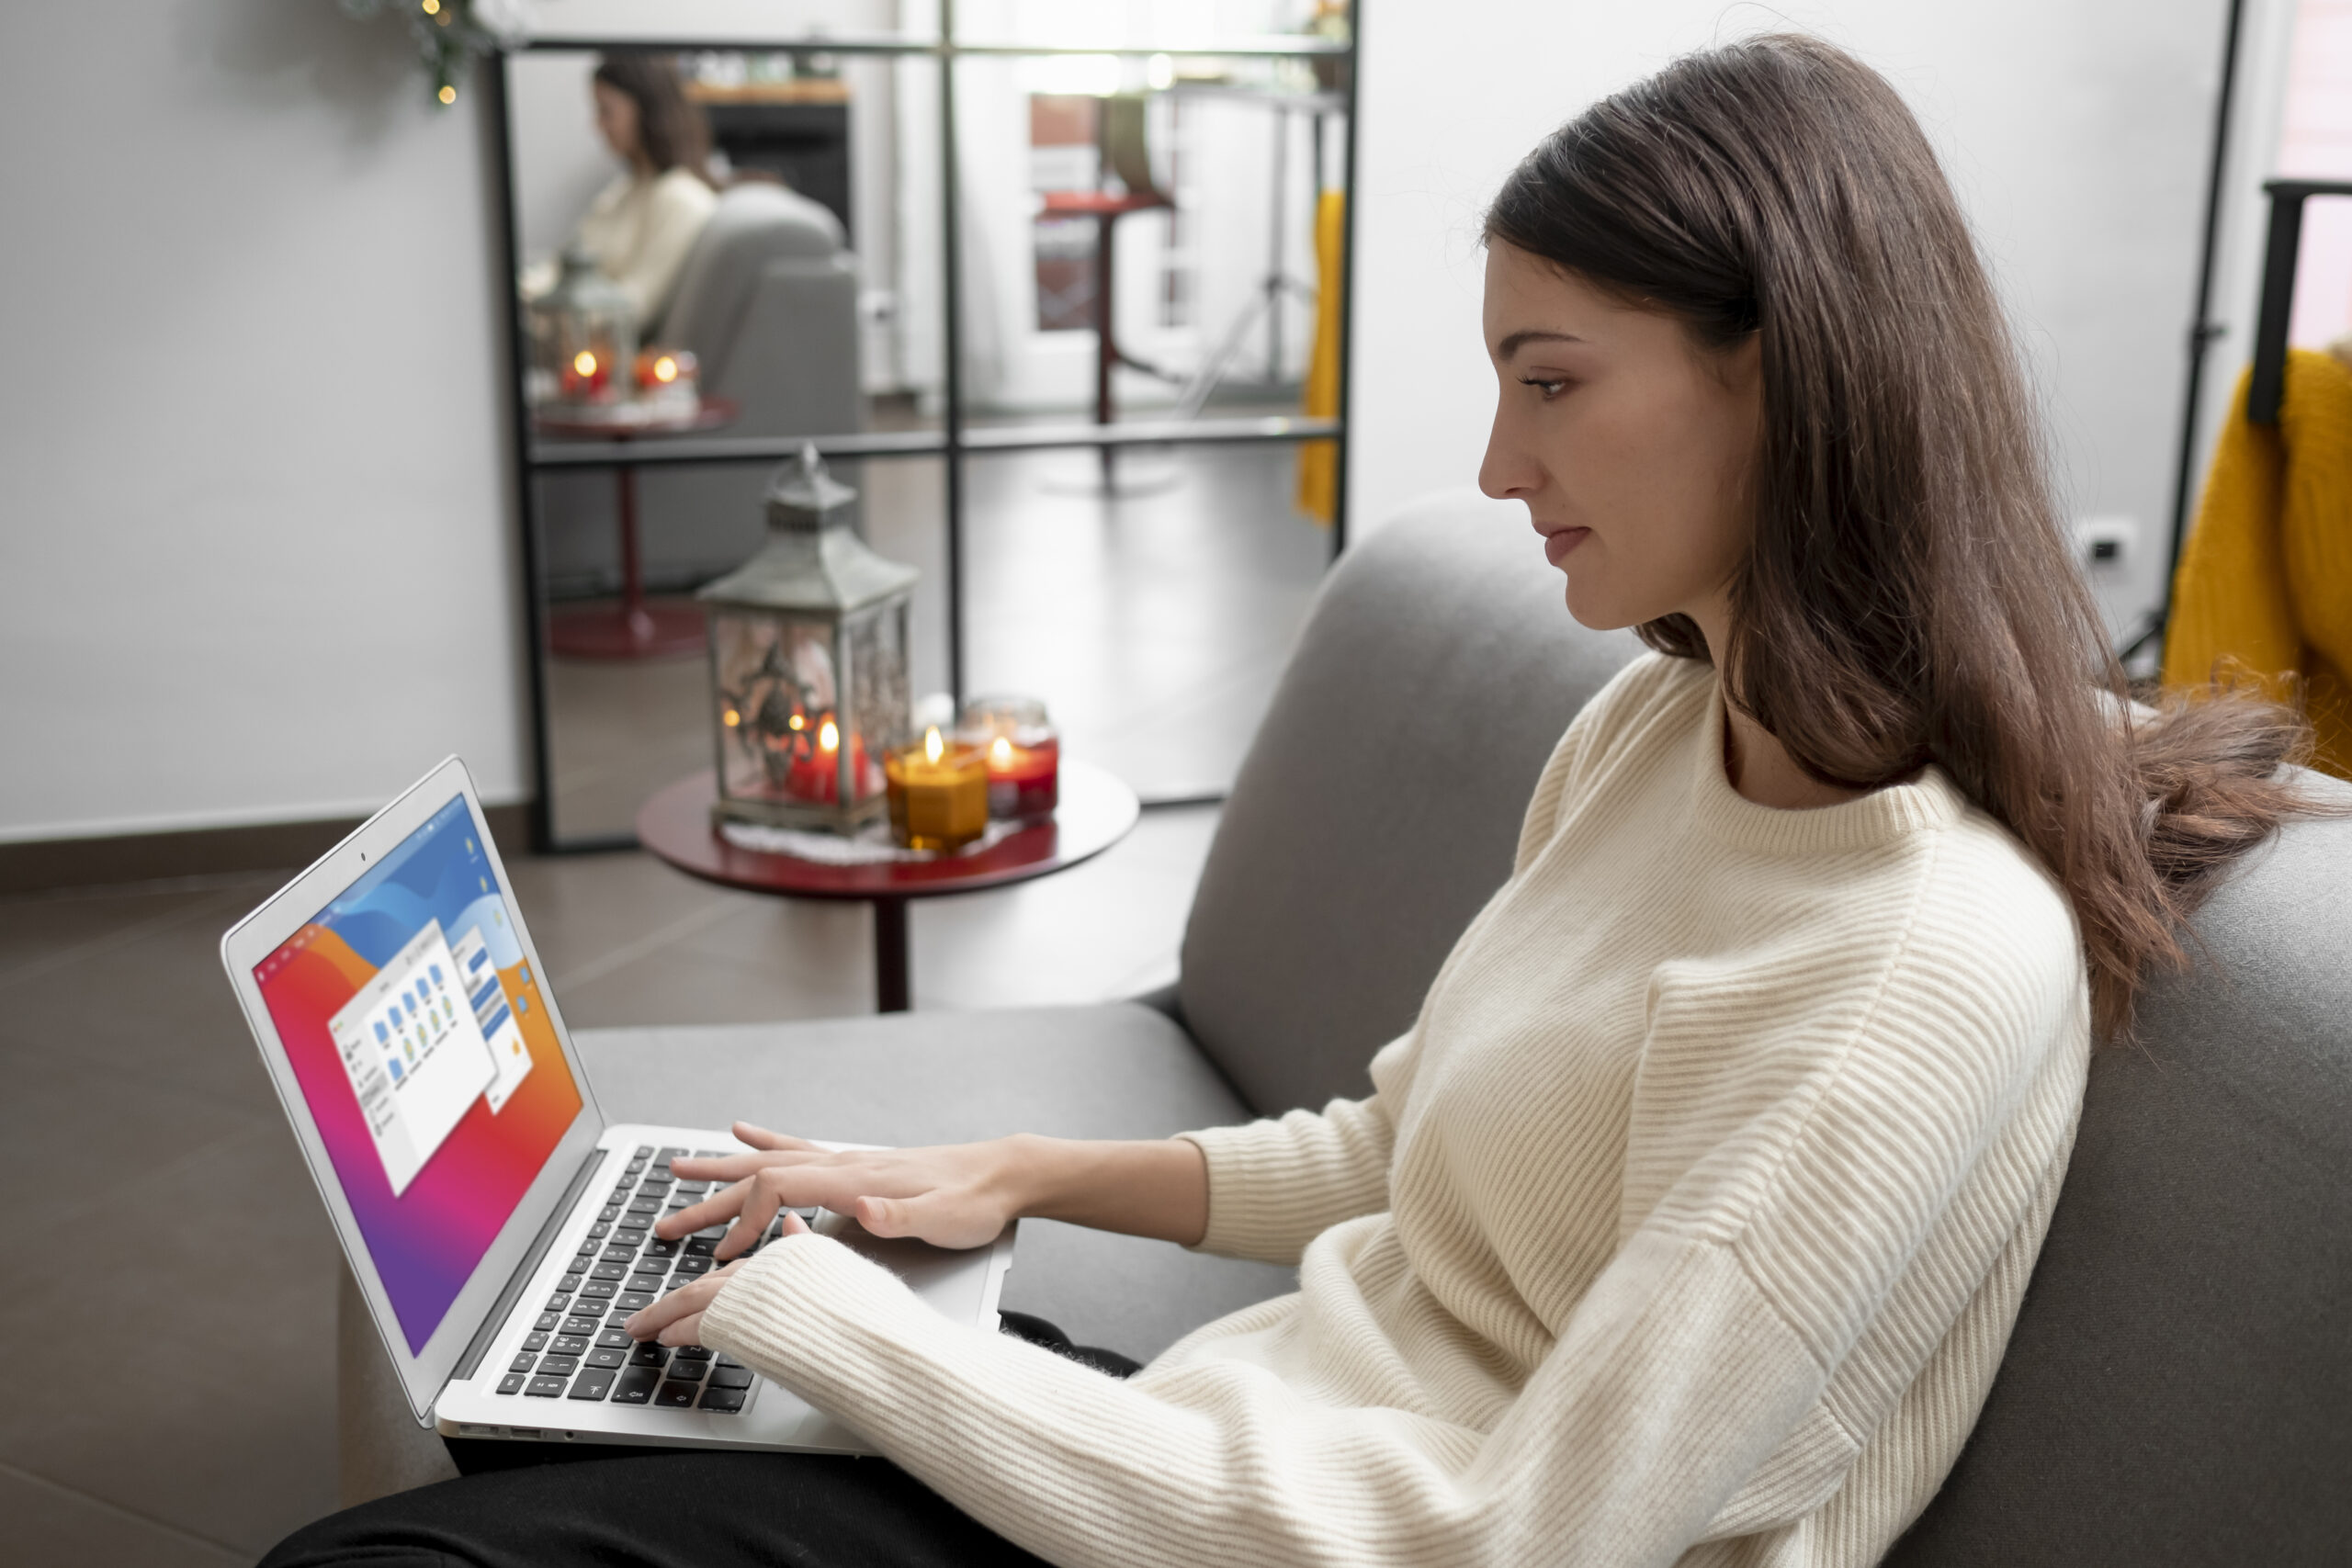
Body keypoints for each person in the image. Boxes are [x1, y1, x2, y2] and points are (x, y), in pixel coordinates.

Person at [267, 35, 2324, 1568]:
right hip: (1239, 1459)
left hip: (1353, 1532)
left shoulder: (1905, 966)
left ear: (1783, 372)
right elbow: (1394, 1140)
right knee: (570, 1423)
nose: (1499, 466)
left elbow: (1514, 1537)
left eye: (1549, 376)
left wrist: (861, 1344)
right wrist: (1005, 1169)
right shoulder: (1650, 736)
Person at [526, 54, 719, 335]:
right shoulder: (626, 189)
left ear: (645, 110)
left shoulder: (682, 199)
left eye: (606, 111)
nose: (597, 126)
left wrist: (538, 315)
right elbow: (562, 266)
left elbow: (633, 308)